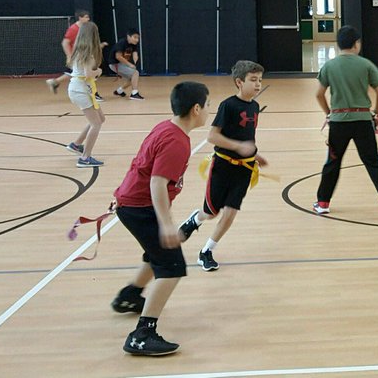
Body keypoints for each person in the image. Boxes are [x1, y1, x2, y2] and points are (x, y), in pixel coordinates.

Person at [108, 81, 209, 356]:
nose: (208, 111)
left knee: (155, 254)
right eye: (207, 105)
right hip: (139, 207)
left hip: (132, 203)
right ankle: (142, 335)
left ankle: (129, 296)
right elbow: (157, 183)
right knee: (171, 265)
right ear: (196, 108)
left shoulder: (167, 127)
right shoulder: (177, 142)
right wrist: (166, 223)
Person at [178, 60, 268, 271]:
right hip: (223, 167)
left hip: (244, 170)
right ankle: (195, 219)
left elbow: (247, 137)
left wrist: (254, 155)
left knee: (230, 212)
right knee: (212, 213)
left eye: (260, 81)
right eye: (253, 80)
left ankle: (206, 251)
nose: (257, 85)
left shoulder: (255, 107)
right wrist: (238, 146)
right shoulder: (228, 105)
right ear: (239, 82)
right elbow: (212, 136)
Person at [312, 26, 378, 217]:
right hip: (362, 121)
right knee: (373, 162)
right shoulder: (366, 65)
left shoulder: (329, 66)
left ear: (338, 45)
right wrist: (376, 113)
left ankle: (322, 203)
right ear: (356, 44)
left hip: (338, 123)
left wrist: (329, 113)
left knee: (333, 162)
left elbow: (319, 94)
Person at [65, 21, 106, 167]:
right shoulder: (88, 54)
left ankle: (76, 145)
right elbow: (89, 74)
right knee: (96, 124)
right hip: (80, 89)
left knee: (100, 118)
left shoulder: (79, 50)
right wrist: (99, 71)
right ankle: (85, 158)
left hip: (80, 88)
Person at [46, 9, 104, 102]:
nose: (88, 19)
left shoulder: (84, 29)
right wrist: (69, 56)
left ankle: (55, 82)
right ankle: (93, 93)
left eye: (88, 17)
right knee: (84, 73)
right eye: (86, 17)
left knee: (73, 74)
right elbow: (65, 43)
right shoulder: (73, 29)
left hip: (82, 56)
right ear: (80, 18)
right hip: (78, 56)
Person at [109, 27, 144, 100]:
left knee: (133, 78)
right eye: (135, 37)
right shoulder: (122, 43)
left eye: (138, 38)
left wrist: (134, 62)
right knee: (135, 73)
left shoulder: (133, 44)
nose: (137, 40)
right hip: (115, 64)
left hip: (121, 63)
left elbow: (135, 54)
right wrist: (129, 65)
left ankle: (119, 91)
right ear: (128, 36)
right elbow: (118, 56)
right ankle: (134, 94)